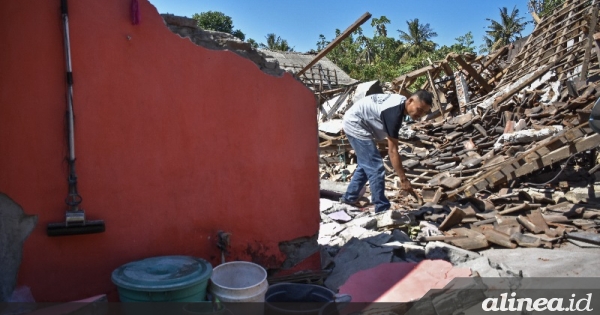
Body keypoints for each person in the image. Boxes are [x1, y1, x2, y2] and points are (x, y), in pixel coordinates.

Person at [340, 90, 433, 213]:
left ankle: (349, 198)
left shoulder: (400, 105)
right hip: (355, 123)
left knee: (366, 164)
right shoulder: (394, 114)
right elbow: (393, 151)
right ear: (410, 101)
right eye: (419, 109)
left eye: (424, 112)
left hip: (360, 121)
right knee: (376, 167)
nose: (420, 115)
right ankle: (382, 209)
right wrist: (403, 179)